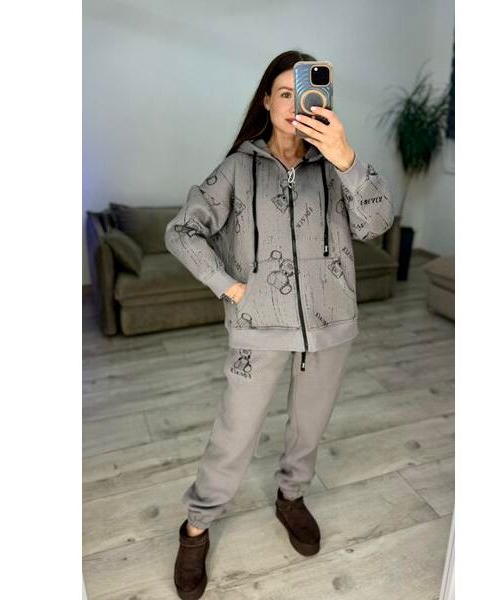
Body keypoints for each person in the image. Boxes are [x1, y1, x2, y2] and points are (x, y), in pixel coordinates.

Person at [164, 49, 398, 600]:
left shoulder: (337, 166)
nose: (295, 105)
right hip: (258, 327)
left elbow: (376, 224)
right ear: (267, 101)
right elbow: (182, 231)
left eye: (306, 92)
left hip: (330, 323)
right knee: (235, 432)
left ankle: (291, 497)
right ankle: (197, 526)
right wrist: (231, 286)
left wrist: (346, 158)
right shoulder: (237, 169)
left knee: (309, 427)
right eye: (285, 93)